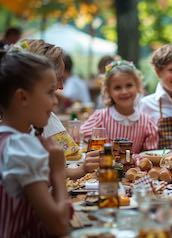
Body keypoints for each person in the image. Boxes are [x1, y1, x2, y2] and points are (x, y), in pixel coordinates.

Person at [0, 50, 69, 236]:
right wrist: (58, 170)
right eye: (49, 93)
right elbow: (59, 225)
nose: (55, 101)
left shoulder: (8, 142)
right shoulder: (21, 148)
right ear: (22, 97)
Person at [23, 39, 99, 179]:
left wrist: (83, 167)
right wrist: (81, 169)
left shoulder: (37, 121)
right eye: (58, 78)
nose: (61, 87)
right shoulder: (20, 140)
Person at [81, 60, 158, 153]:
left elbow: (149, 155)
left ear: (138, 86)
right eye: (117, 87)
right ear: (108, 91)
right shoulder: (100, 118)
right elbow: (84, 140)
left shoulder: (147, 123)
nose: (124, 92)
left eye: (129, 85)